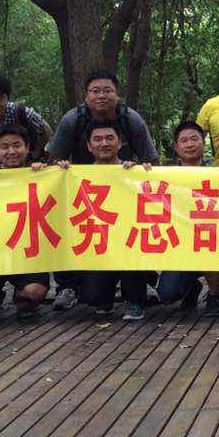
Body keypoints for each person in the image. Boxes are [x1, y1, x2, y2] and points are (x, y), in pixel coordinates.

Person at [54, 121, 152, 321]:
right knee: (93, 297)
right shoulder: (76, 174)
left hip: (128, 243)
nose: (104, 143)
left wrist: (143, 171)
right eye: (97, 139)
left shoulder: (132, 171)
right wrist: (58, 171)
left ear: (120, 143)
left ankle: (134, 299)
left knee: (133, 244)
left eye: (109, 138)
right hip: (97, 244)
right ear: (89, 146)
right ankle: (104, 297)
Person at [0, 123, 51, 325]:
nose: (11, 151)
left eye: (17, 145)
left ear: (27, 147)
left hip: (29, 254)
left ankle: (21, 298)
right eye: (5, 147)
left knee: (34, 293)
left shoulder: (41, 175)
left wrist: (51, 172)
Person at [154, 121, 219, 317]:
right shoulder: (164, 175)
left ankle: (213, 295)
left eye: (194, 139)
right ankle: (191, 288)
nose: (190, 144)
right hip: (177, 244)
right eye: (184, 141)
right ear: (176, 147)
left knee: (216, 241)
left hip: (207, 240)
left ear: (203, 142)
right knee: (167, 295)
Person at [48, 69, 159, 167]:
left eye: (107, 91)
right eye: (95, 91)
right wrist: (62, 165)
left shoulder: (131, 120)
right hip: (83, 182)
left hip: (123, 179)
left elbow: (153, 164)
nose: (101, 96)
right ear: (86, 96)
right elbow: (54, 162)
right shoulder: (72, 120)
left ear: (117, 95)